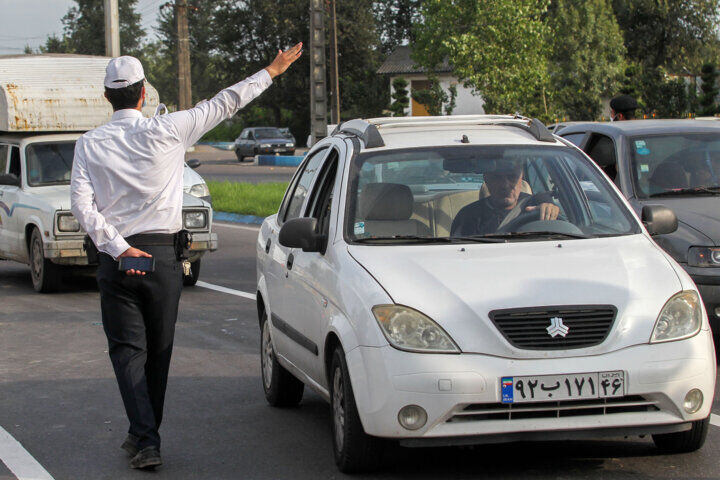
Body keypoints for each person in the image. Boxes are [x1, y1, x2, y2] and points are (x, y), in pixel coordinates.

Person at [70, 43, 302, 470]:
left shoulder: (88, 145)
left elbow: (83, 209)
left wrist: (120, 248)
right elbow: (226, 102)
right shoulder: (171, 128)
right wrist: (272, 70)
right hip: (162, 257)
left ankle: (143, 437)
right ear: (144, 94)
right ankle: (145, 437)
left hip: (117, 258)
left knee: (126, 351)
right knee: (159, 350)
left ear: (107, 97)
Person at [451, 160, 560, 236]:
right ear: (486, 179)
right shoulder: (469, 215)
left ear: (521, 177)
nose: (505, 185)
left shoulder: (536, 203)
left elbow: (548, 206)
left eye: (511, 177)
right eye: (497, 178)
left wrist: (550, 208)